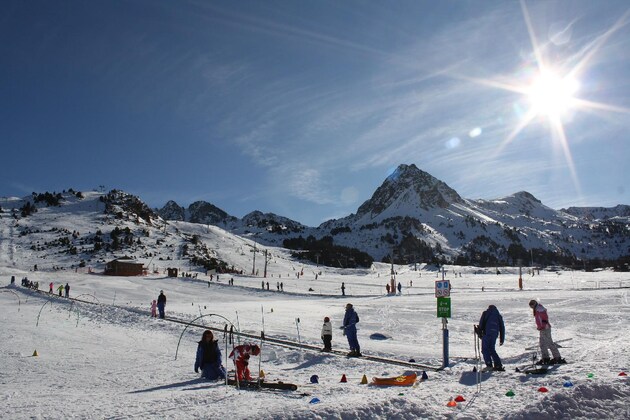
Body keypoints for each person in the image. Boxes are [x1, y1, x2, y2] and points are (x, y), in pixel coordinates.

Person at [529, 300, 565, 365]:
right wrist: (539, 327)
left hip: (545, 328)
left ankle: (557, 357)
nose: (531, 308)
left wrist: (542, 326)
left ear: (533, 304)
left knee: (549, 343)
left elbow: (544, 319)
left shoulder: (540, 309)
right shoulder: (537, 309)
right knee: (542, 344)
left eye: (531, 307)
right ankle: (545, 358)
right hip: (542, 329)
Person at [478, 305, 505, 371]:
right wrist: (502, 339)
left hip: (486, 333)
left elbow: (481, 323)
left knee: (485, 349)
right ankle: (498, 364)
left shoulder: (486, 313)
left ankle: (489, 364)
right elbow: (502, 328)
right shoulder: (498, 316)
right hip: (494, 334)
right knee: (492, 349)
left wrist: (479, 332)